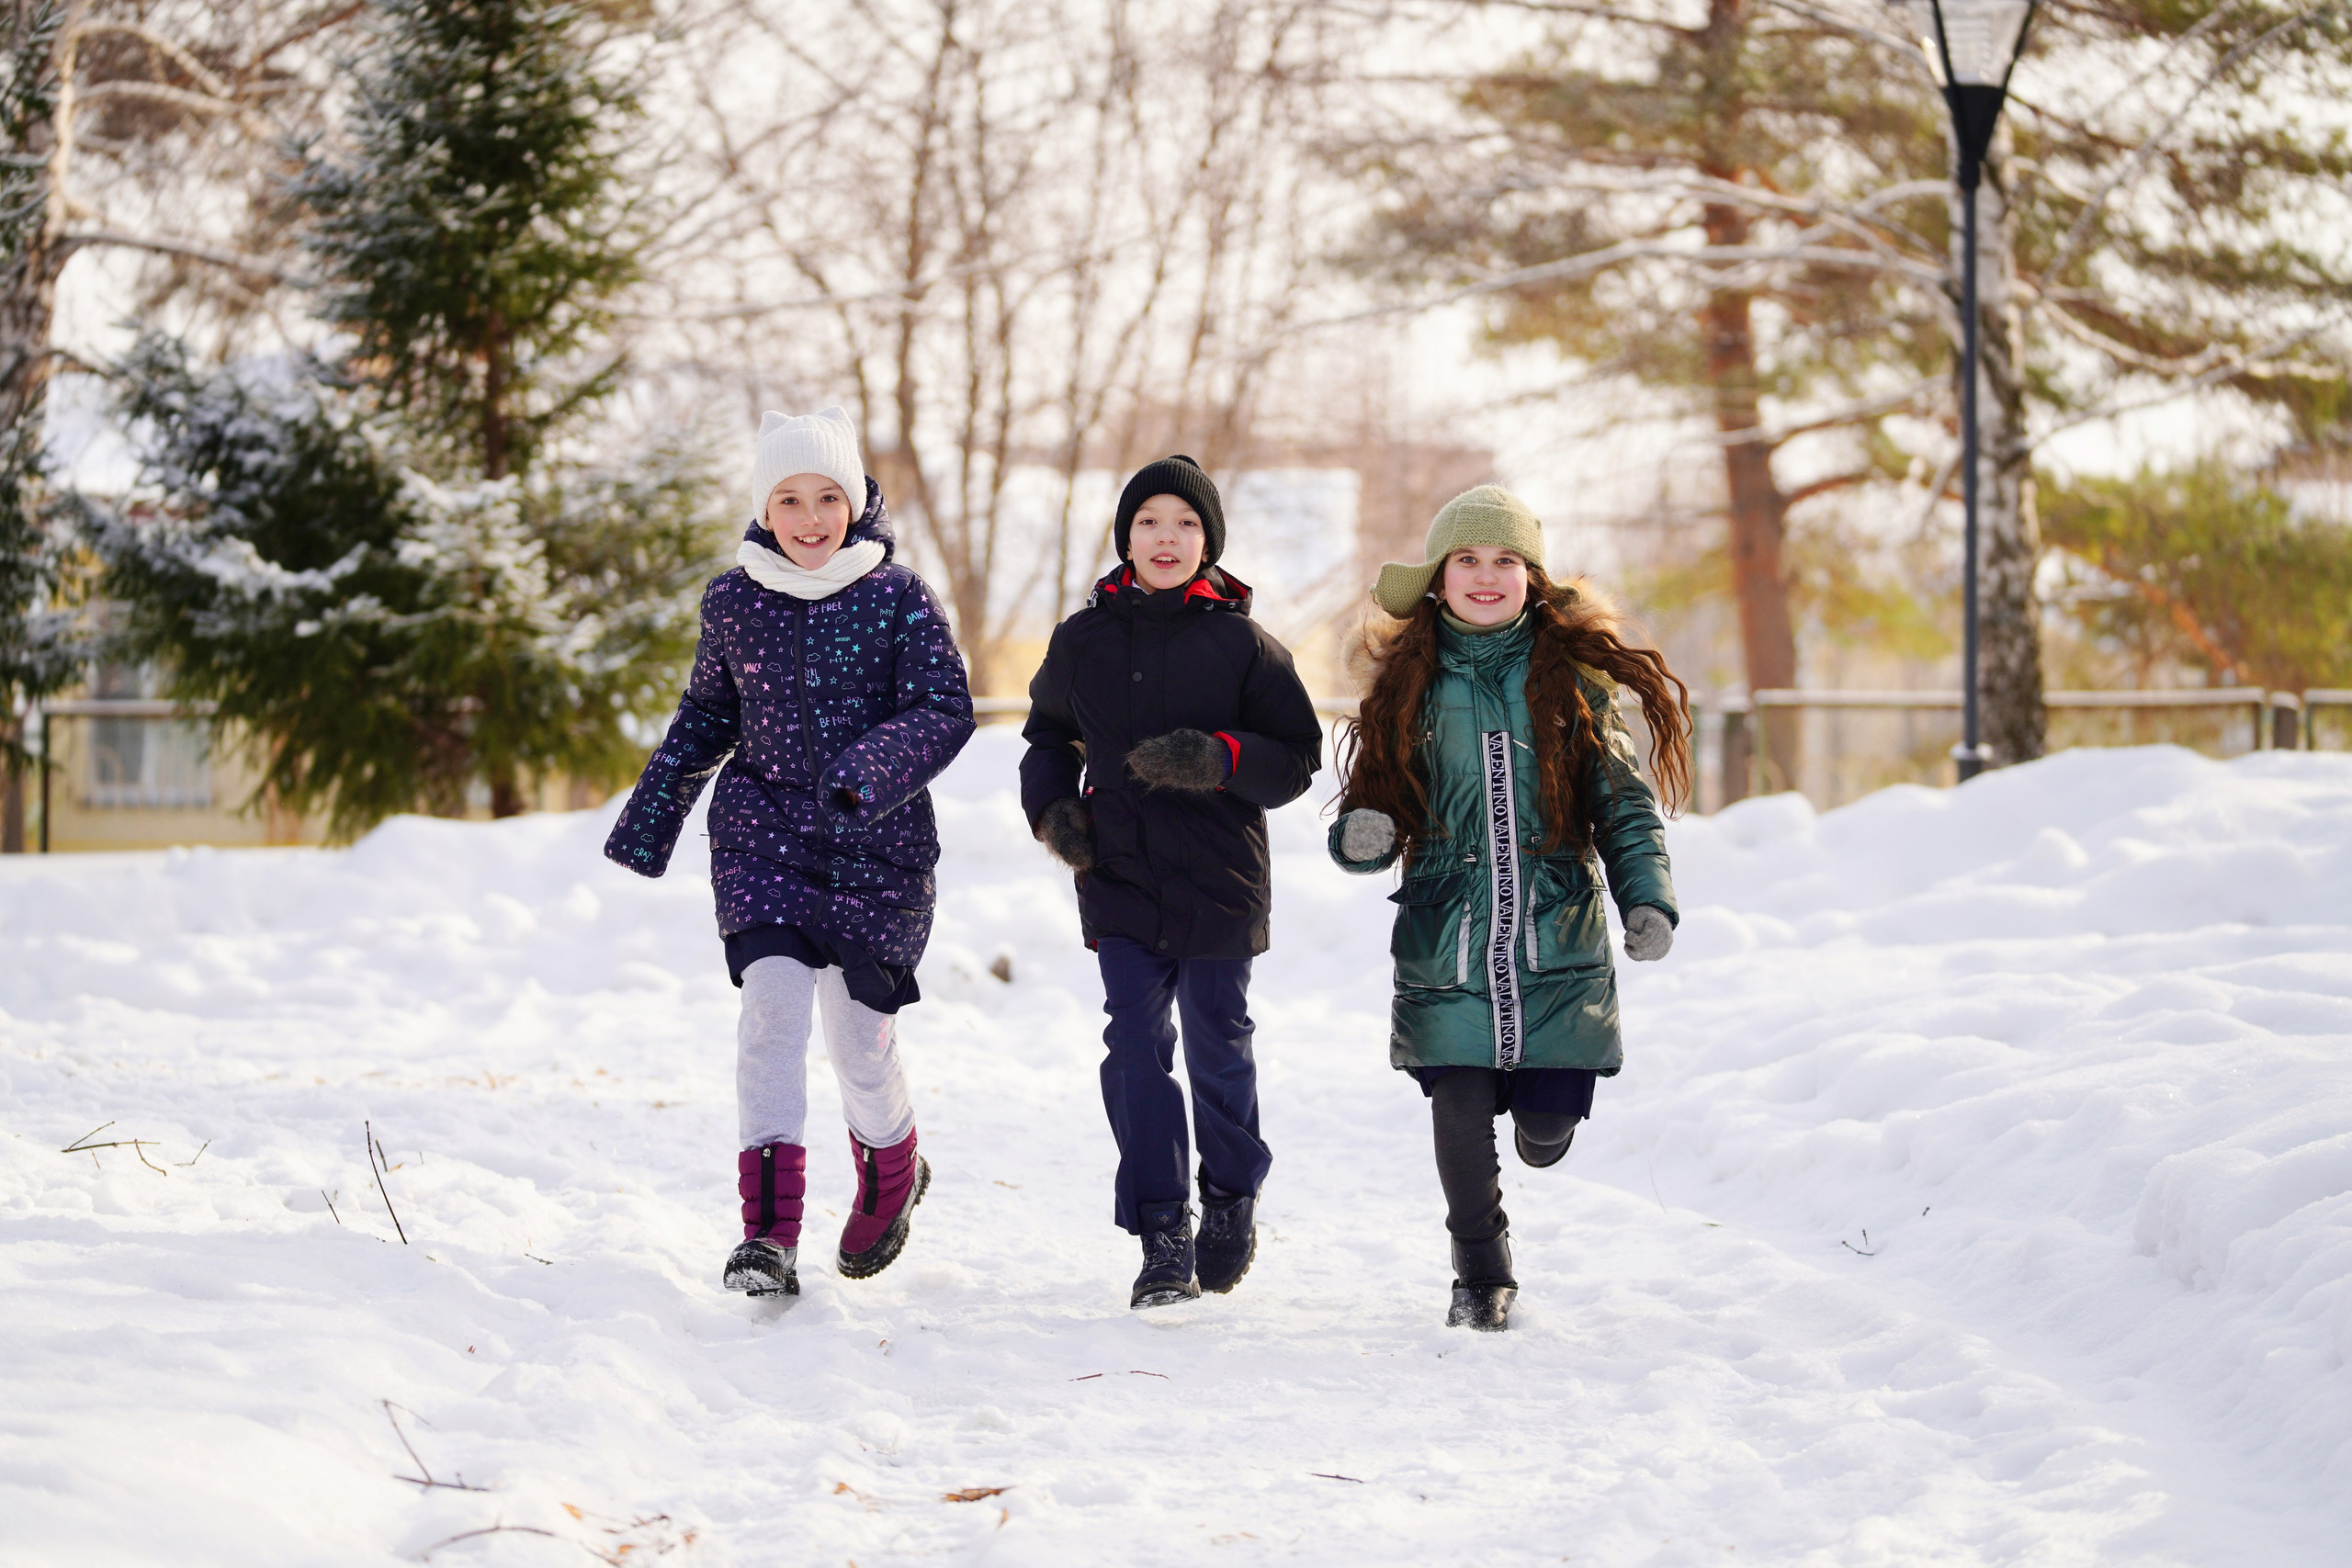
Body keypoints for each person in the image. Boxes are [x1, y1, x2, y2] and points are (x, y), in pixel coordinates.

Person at [605, 406, 974, 1300]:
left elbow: (943, 708)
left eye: (827, 497)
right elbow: (707, 715)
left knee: (858, 1042)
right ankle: (766, 1235)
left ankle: (893, 1170)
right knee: (770, 1019)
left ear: (855, 502)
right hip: (763, 838)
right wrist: (650, 817)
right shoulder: (734, 599)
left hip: (872, 849)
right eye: (788, 499)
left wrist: (865, 773)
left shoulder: (896, 597)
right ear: (763, 509)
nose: (810, 518)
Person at [1328, 484, 1690, 1331]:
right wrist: (1364, 834)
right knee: (1455, 1109)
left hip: (1556, 936)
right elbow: (1370, 809)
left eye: (1504, 561)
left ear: (1531, 577)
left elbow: (1626, 805)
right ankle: (1479, 1269)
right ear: (1438, 578)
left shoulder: (1573, 684)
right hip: (1446, 933)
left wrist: (1649, 897)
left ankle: (1545, 1126)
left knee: (1545, 1120)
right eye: (1467, 560)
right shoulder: (1406, 687)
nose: (1485, 577)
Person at [1020, 455, 1323, 1310]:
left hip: (1222, 877)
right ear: (1126, 538)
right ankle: (1162, 1231)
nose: (1167, 537)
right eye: (1150, 522)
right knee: (1136, 1044)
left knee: (1216, 1035)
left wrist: (1220, 757)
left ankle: (1230, 1193)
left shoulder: (1244, 644)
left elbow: (1298, 757)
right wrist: (1054, 814)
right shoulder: (1082, 639)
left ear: (1208, 542)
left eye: (1185, 524)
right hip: (1117, 872)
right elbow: (1046, 739)